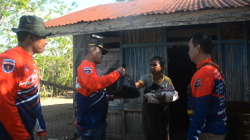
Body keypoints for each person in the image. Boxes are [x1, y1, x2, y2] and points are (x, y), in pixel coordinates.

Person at [0, 15, 51, 140]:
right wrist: (23, 137)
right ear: (30, 37)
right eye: (43, 37)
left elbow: (35, 98)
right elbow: (3, 104)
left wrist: (41, 129)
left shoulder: (31, 63)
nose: (46, 41)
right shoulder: (10, 60)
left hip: (26, 131)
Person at [75, 39, 125, 140]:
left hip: (98, 121)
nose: (102, 55)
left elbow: (95, 91)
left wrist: (110, 96)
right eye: (101, 52)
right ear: (93, 50)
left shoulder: (92, 68)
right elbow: (95, 84)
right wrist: (117, 73)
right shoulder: (85, 67)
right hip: (90, 125)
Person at [187, 31, 227, 140]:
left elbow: (200, 109)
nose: (188, 52)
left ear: (197, 48)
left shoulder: (203, 73)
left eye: (189, 48)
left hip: (208, 132)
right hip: (217, 129)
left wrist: (192, 135)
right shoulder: (215, 69)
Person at [135, 56, 174, 140]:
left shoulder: (167, 81)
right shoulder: (146, 78)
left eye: (155, 65)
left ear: (162, 67)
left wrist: (163, 101)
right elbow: (140, 83)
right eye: (150, 65)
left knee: (161, 133)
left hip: (161, 112)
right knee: (149, 132)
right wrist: (133, 85)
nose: (152, 67)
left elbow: (171, 96)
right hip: (148, 112)